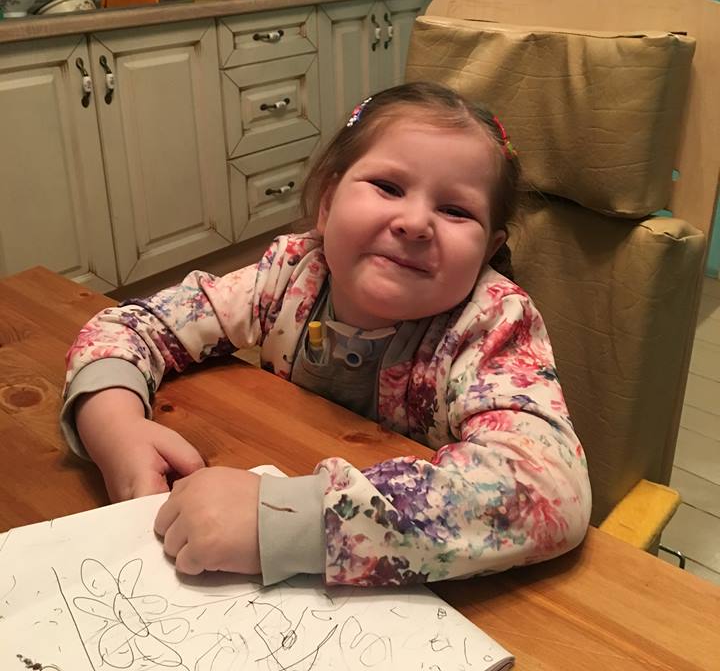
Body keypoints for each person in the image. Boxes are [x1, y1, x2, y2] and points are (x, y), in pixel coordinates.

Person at [61, 81, 592, 587]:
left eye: (455, 210)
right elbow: (134, 324)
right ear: (328, 204)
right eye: (388, 187)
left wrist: (289, 522)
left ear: (488, 248)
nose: (414, 222)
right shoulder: (292, 272)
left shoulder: (494, 322)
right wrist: (114, 427)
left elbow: (548, 490)